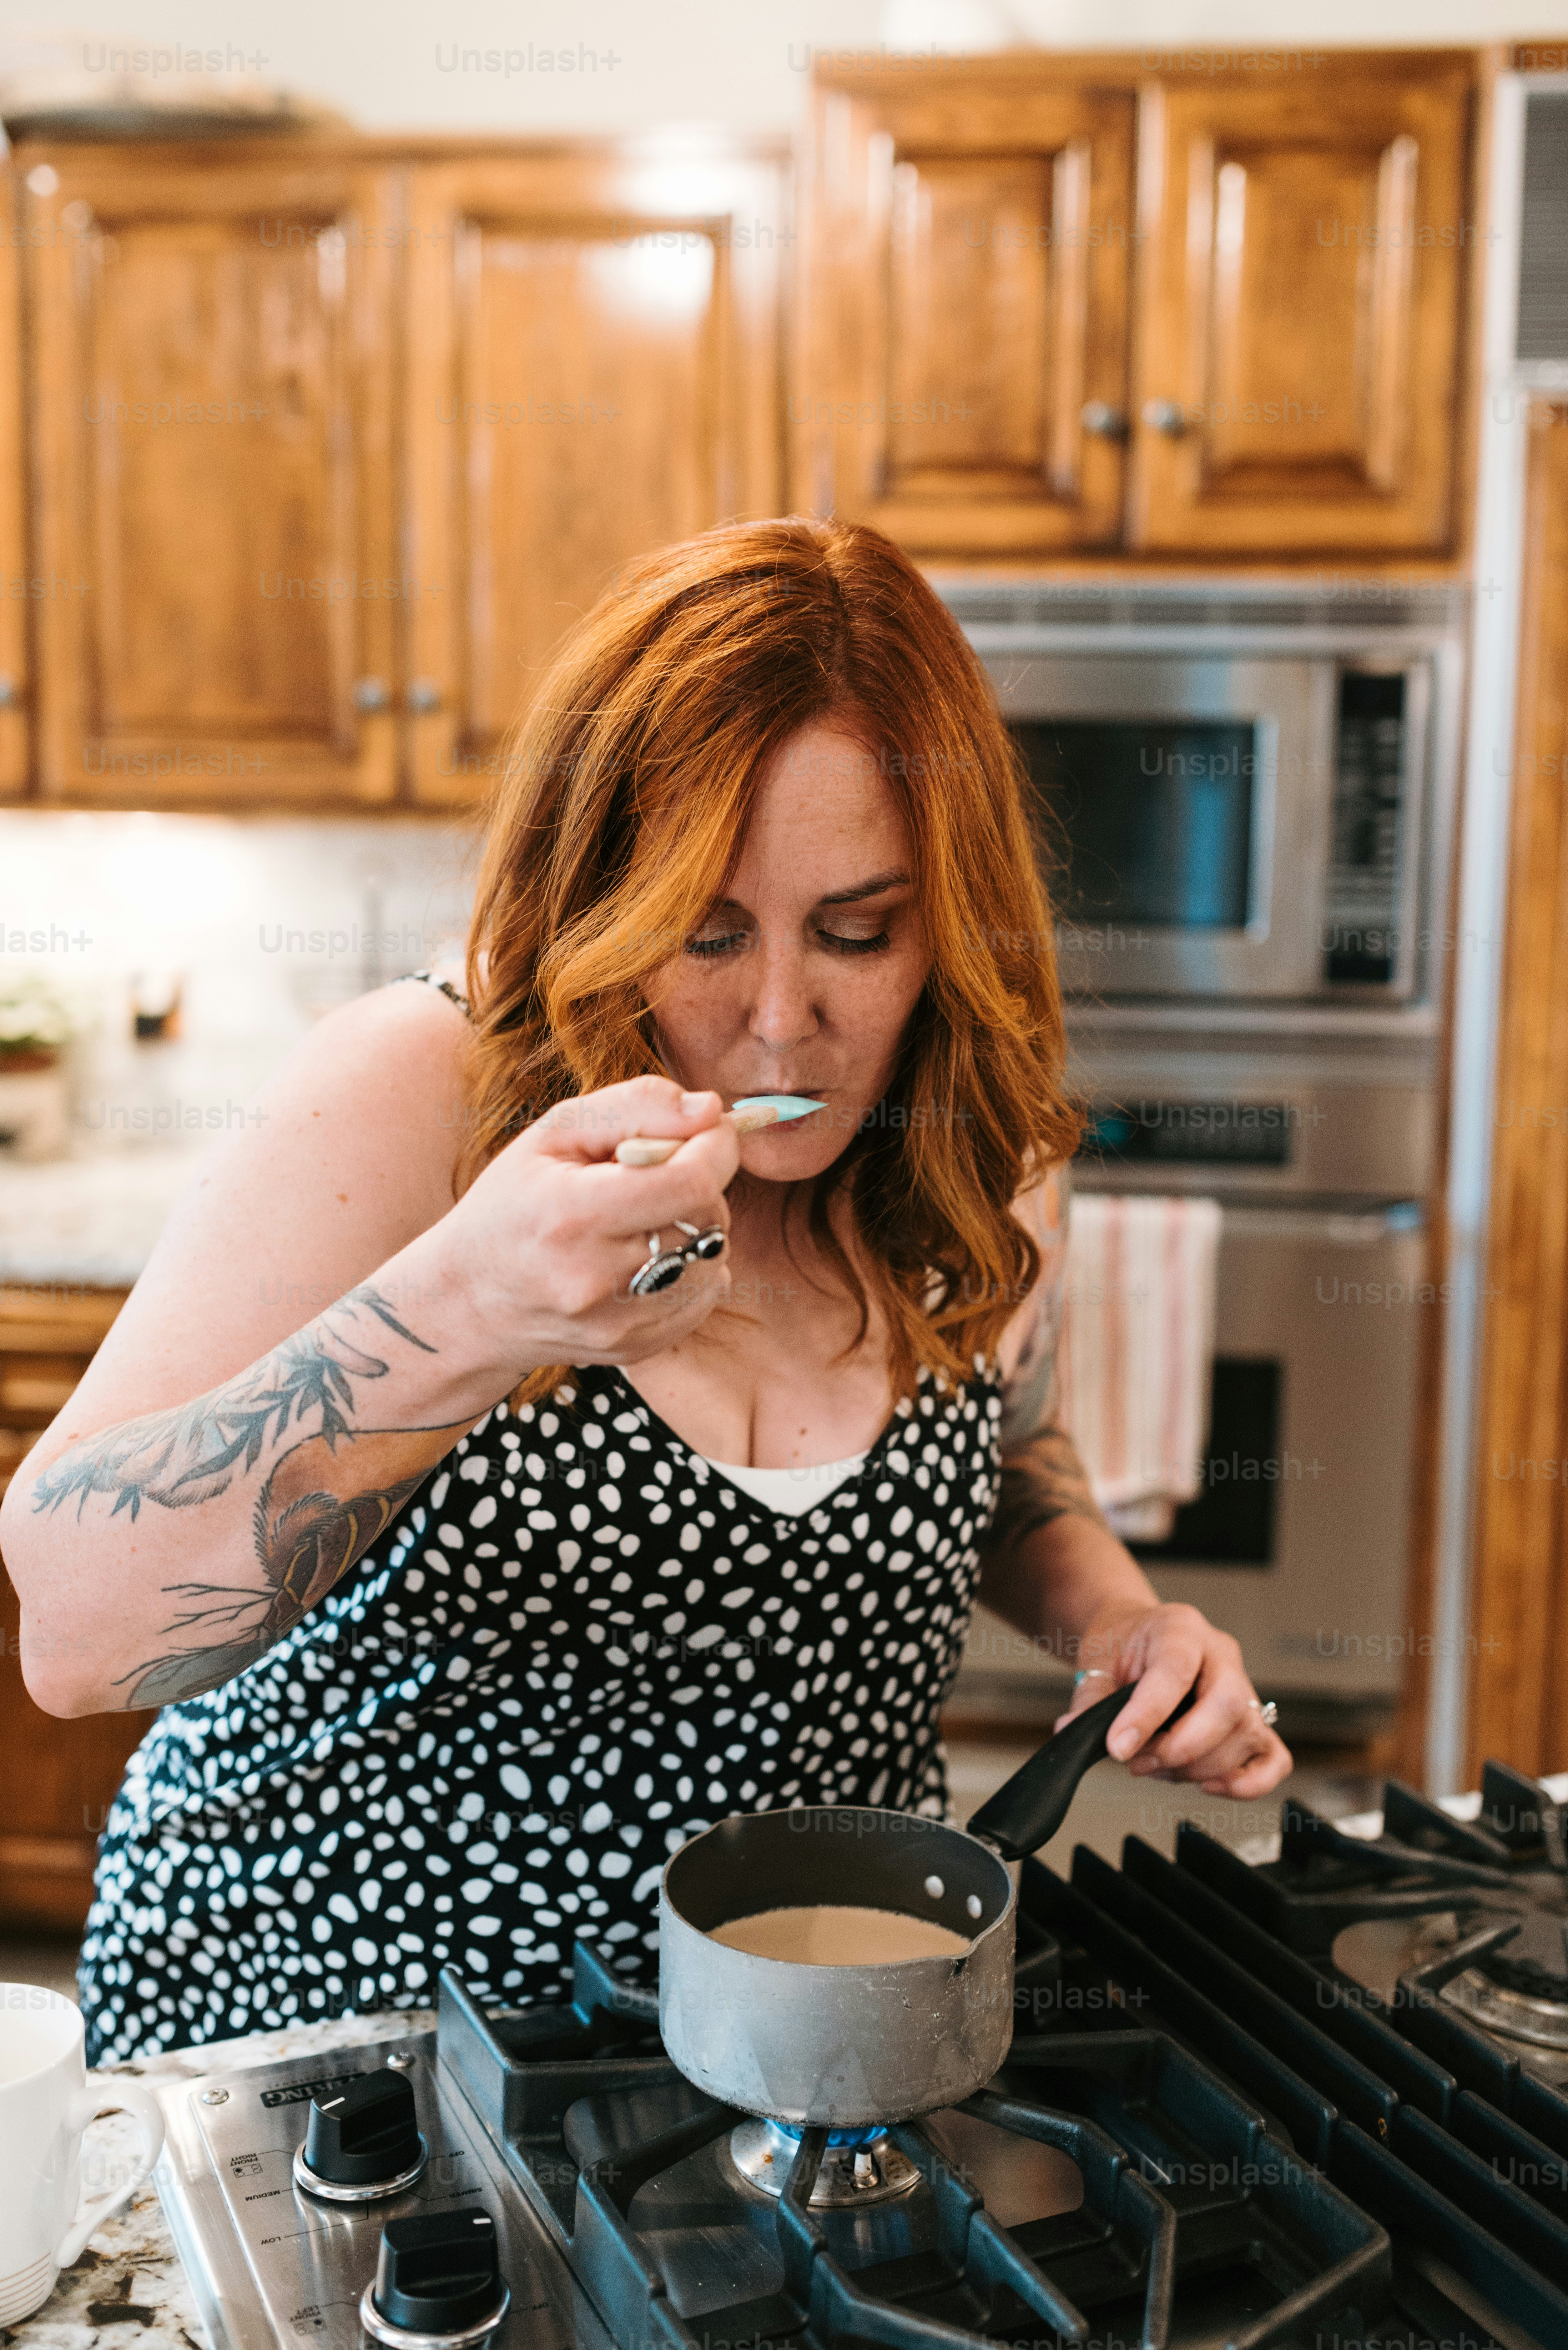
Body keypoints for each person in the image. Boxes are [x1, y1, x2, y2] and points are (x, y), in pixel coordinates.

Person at [1, 518, 1290, 2063]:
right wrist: (471, 1310)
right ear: (599, 901)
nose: (781, 1021)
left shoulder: (976, 1138)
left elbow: (1006, 1453)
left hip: (791, 2048)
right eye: (704, 930)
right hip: (338, 2052)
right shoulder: (427, 1089)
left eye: (859, 933)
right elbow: (73, 1631)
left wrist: (1118, 1620)